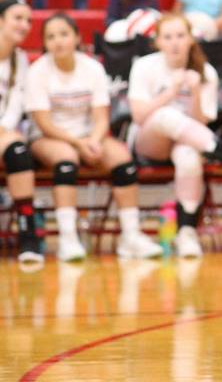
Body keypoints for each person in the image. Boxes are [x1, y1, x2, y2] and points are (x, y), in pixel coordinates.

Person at [25, 13, 163, 261]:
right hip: (50, 138)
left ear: (77, 37)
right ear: (44, 43)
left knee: (122, 160)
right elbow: (44, 123)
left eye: (64, 34)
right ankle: (68, 239)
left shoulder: (93, 68)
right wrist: (79, 143)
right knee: (66, 159)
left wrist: (94, 139)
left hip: (89, 136)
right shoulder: (37, 71)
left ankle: (130, 237)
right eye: (51, 37)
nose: (58, 41)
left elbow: (101, 116)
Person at [128, 12, 222, 258]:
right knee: (165, 116)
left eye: (181, 36)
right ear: (158, 42)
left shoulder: (205, 72)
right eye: (168, 37)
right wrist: (170, 93)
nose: (175, 42)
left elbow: (200, 122)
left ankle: (187, 232)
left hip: (187, 140)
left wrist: (195, 93)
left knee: (189, 156)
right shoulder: (144, 65)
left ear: (191, 39)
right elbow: (139, 116)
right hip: (149, 141)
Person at [0, 0, 44, 265]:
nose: (24, 25)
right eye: (18, 18)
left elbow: (15, 106)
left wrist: (3, 130)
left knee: (18, 149)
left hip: (3, 135)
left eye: (28, 20)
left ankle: (27, 234)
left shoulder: (20, 59)